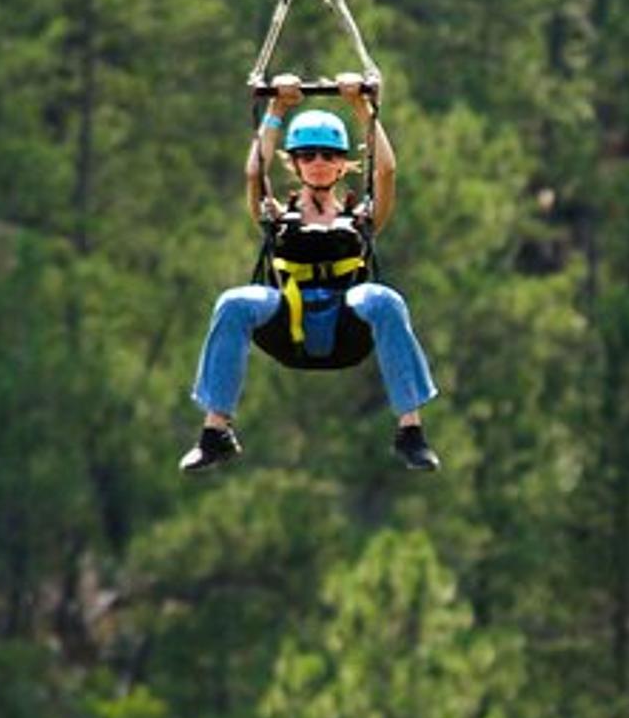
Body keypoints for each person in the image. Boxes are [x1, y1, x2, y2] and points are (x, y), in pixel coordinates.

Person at [179, 71, 440, 473]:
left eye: (329, 155)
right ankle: (215, 431)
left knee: (384, 299)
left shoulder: (362, 218)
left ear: (343, 164)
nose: (319, 163)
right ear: (295, 163)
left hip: (345, 329)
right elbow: (255, 173)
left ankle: (411, 430)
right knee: (233, 302)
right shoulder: (275, 217)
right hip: (290, 327)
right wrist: (276, 108)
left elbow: (386, 172)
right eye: (308, 155)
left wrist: (361, 106)